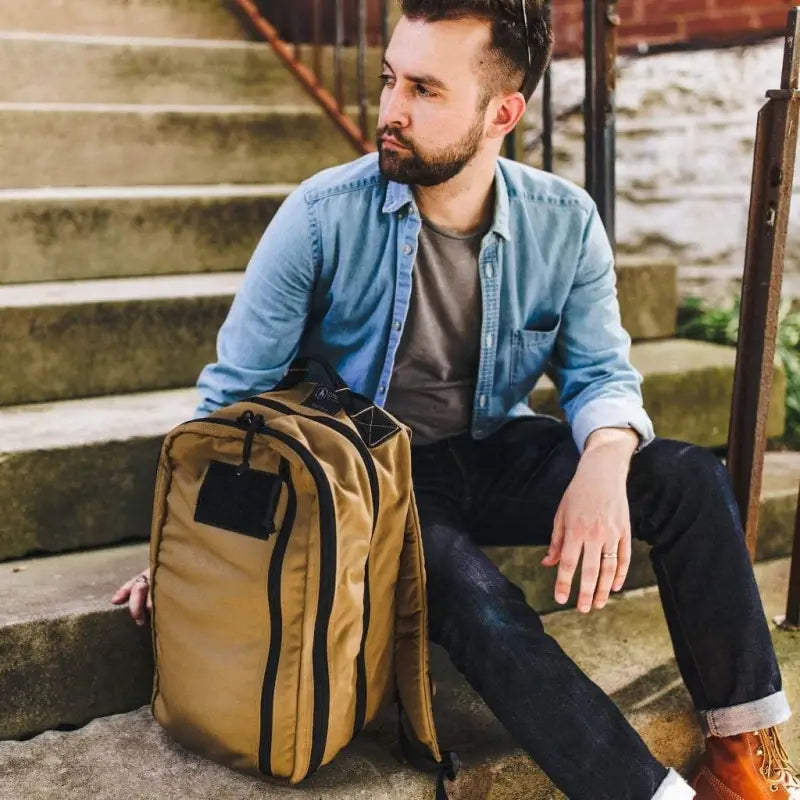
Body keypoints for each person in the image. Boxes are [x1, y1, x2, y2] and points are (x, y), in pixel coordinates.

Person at [112, 1, 798, 797]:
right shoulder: (321, 216)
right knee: (473, 596)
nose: (391, 111)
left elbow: (602, 374)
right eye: (389, 80)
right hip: (372, 480)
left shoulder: (565, 221)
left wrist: (607, 460)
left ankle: (744, 755)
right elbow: (232, 399)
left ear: (503, 112)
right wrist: (185, 546)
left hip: (496, 445)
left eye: (426, 90)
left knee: (688, 479)